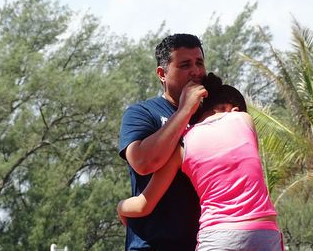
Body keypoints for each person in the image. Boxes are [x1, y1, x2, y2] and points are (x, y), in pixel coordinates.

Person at [118, 82, 283, 251]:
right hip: (266, 232)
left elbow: (143, 206)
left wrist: (121, 207)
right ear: (233, 109)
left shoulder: (183, 145)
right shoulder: (244, 119)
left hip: (219, 236)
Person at [118, 33, 208, 250]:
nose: (195, 71)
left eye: (199, 63)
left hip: (206, 243)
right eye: (185, 65)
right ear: (162, 74)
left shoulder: (212, 117)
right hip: (152, 245)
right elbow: (144, 162)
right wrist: (185, 109)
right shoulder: (141, 113)